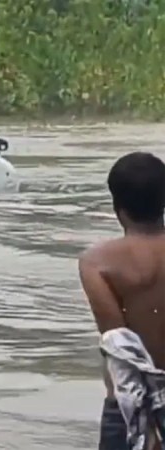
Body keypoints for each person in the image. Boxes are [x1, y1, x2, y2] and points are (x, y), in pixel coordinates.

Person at [78, 151, 165, 449]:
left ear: (118, 207)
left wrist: (147, 427)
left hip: (128, 406)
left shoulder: (97, 262)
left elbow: (122, 348)